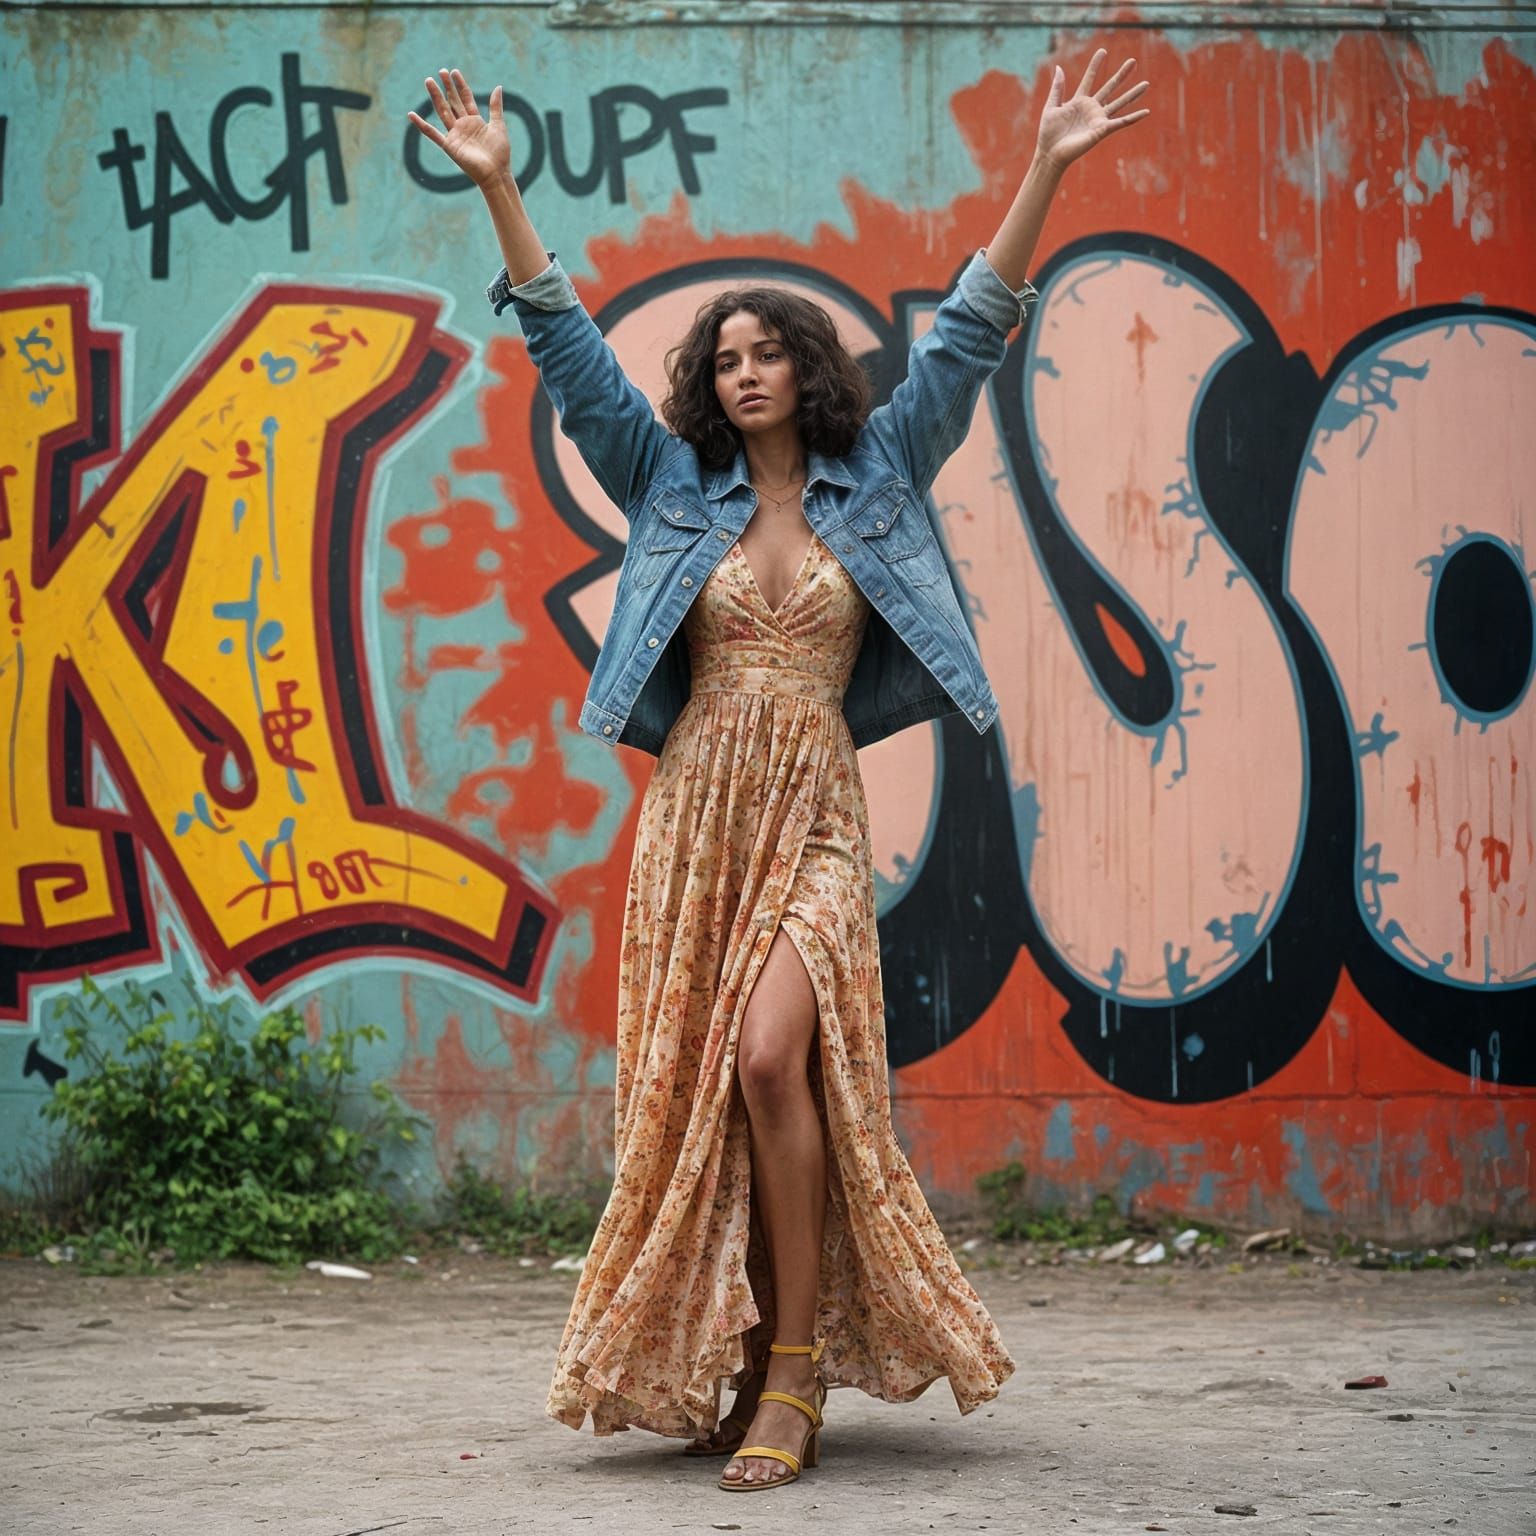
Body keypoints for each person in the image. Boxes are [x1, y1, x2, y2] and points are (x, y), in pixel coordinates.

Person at [408, 50, 1150, 1492]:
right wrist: (501, 186)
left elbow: (974, 336)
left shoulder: (882, 469)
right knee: (717, 1086)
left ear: (806, 369)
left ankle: (797, 1374)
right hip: (697, 809)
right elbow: (564, 348)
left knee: (768, 1053)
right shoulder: (665, 481)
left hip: (812, 805)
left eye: (767, 352)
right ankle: (744, 1352)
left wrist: (1047, 165)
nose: (745, 370)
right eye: (725, 355)